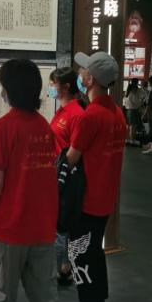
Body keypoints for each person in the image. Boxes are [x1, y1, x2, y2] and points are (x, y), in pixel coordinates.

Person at [0, 59, 60, 302]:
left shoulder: (3, 127)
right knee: (45, 300)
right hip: (43, 227)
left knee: (1, 299)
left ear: (10, 89)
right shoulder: (44, 126)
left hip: (10, 230)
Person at [59, 52, 127, 302]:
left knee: (80, 256)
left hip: (86, 201)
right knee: (94, 255)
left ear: (91, 79)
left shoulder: (92, 116)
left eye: (84, 70)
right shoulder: (117, 113)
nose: (81, 73)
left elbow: (72, 158)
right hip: (105, 199)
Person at [48, 67, 86, 287]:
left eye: (53, 84)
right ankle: (63, 267)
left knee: (61, 226)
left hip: (67, 178)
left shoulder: (77, 114)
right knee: (58, 225)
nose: (51, 88)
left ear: (66, 86)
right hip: (55, 173)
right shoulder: (61, 111)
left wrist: (58, 177)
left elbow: (75, 152)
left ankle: (61, 270)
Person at [124, 78, 145, 145]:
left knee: (128, 126)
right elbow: (136, 102)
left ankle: (127, 139)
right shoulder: (134, 92)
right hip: (133, 110)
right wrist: (141, 101)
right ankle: (132, 140)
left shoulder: (127, 91)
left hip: (128, 110)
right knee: (133, 126)